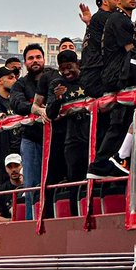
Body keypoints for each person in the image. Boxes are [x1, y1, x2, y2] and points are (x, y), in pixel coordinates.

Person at [87, 0, 136, 179]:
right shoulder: (119, 19)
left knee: (123, 121)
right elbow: (131, 49)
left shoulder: (122, 19)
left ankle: (109, 164)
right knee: (120, 122)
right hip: (118, 76)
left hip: (120, 75)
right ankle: (102, 164)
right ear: (117, 0)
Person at [9, 43, 51, 214]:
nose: (35, 61)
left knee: (55, 183)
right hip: (32, 139)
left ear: (44, 59)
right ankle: (31, 220)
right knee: (31, 186)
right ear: (25, 62)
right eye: (31, 58)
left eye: (38, 57)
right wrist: (35, 108)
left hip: (56, 139)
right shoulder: (20, 84)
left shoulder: (54, 77)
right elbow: (16, 103)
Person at [45, 50, 91, 183]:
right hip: (72, 139)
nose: (66, 72)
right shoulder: (56, 84)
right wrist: (58, 98)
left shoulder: (88, 79)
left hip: (92, 135)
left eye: (69, 67)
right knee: (74, 177)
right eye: (62, 69)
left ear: (77, 64)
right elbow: (50, 113)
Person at [0, 154, 24, 222]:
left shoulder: (30, 186)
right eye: (10, 167)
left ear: (22, 166)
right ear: (6, 169)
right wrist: (12, 221)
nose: (13, 170)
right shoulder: (0, 191)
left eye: (16, 165)